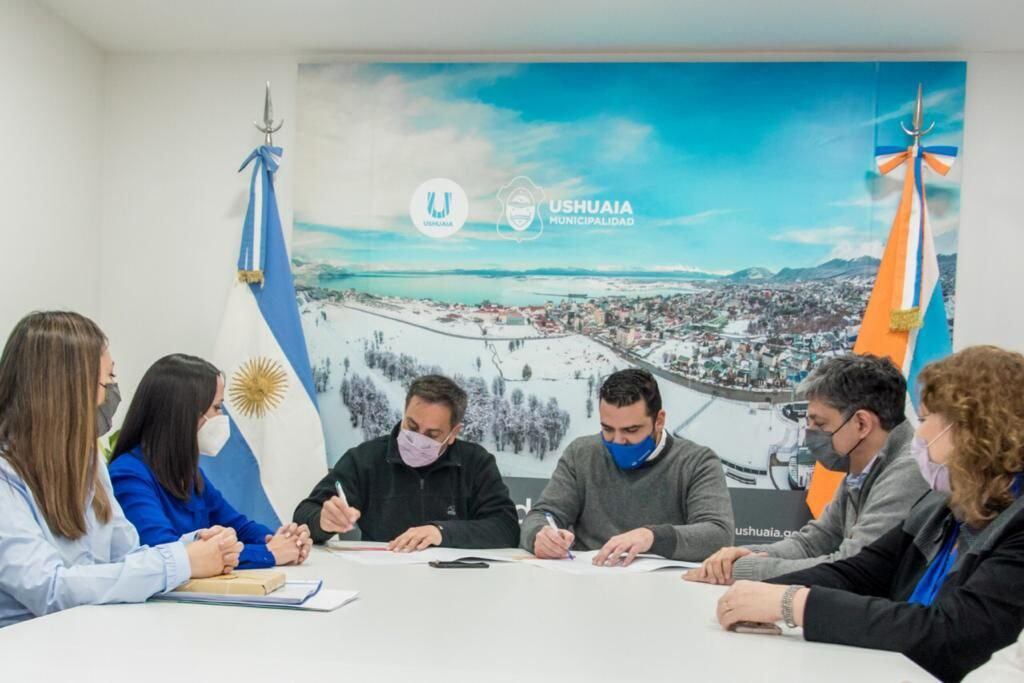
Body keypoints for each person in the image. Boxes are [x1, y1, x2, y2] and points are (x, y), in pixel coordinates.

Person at [715, 346, 1024, 682]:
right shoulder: (942, 507)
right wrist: (759, 589)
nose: (917, 434)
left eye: (925, 420)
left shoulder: (1016, 526)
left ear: (976, 431)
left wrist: (794, 604)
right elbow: (860, 572)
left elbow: (948, 630)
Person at [0, 311, 242, 628]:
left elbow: (126, 555)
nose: (111, 393)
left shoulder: (88, 462)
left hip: (84, 638)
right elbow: (50, 589)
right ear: (66, 391)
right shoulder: (6, 476)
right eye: (106, 381)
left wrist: (193, 546)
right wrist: (180, 562)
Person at [686, 354, 928, 584]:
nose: (808, 432)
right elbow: (813, 543)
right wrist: (744, 554)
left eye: (819, 423)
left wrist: (744, 569)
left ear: (862, 423)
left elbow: (852, 567)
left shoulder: (910, 470)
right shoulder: (860, 468)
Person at [109, 354, 311, 569]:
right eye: (216, 407)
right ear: (184, 413)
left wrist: (282, 540)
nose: (221, 417)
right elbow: (165, 553)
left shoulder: (189, 474)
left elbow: (238, 527)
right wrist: (268, 554)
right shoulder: (128, 475)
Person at [521, 368, 733, 565]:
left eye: (631, 430)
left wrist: (651, 537)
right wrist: (540, 535)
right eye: (608, 429)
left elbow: (718, 535)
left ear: (659, 420)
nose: (618, 441)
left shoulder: (697, 462)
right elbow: (543, 514)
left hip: (664, 589)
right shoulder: (581, 453)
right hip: (588, 580)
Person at [293, 374, 519, 550]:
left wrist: (440, 532)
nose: (418, 439)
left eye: (431, 435)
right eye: (411, 426)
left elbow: (505, 528)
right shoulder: (365, 459)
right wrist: (323, 521)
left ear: (453, 434)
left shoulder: (475, 463)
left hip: (455, 584)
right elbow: (304, 514)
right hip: (381, 582)